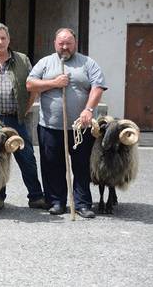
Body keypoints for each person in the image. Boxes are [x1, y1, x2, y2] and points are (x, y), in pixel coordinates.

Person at [27, 28, 106, 219]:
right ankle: (56, 201)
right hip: (50, 127)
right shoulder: (46, 62)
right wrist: (54, 83)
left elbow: (97, 87)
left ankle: (82, 203)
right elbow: (30, 84)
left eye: (68, 43)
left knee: (81, 166)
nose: (64, 47)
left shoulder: (88, 63)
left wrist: (88, 109)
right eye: (61, 43)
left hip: (80, 128)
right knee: (52, 165)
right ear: (55, 43)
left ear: (75, 43)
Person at [0, 23, 48, 210]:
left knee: (27, 156)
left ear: (9, 40)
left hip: (16, 119)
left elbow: (32, 87)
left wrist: (26, 109)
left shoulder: (22, 59)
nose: (0, 42)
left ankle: (36, 196)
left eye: (3, 38)